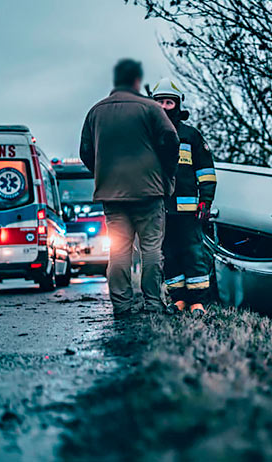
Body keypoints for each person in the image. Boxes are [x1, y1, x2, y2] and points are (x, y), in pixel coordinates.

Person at [80, 60, 180, 315]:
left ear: (117, 80)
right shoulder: (150, 108)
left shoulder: (95, 111)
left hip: (112, 196)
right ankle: (153, 303)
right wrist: (166, 174)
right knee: (151, 250)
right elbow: (171, 140)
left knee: (119, 251)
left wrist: (103, 175)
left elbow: (85, 152)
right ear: (137, 81)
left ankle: (122, 305)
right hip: (149, 192)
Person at [152, 78, 217, 316]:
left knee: (193, 254)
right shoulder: (149, 137)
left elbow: (206, 173)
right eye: (159, 103)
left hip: (189, 211)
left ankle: (197, 302)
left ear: (178, 105)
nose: (164, 108)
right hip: (160, 209)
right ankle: (178, 299)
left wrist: (205, 201)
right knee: (170, 256)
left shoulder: (191, 136)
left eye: (169, 102)